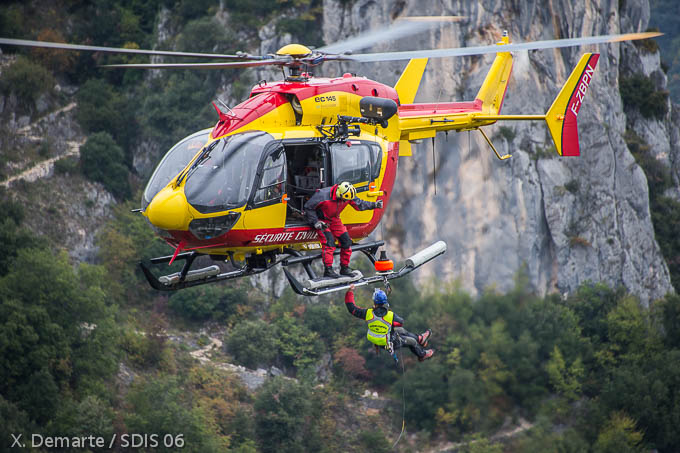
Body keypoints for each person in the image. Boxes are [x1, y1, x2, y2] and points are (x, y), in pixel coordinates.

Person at [304, 181, 383, 278]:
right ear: (339, 194)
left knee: (346, 241)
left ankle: (344, 268)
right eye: (344, 199)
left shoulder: (348, 195)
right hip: (322, 221)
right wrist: (315, 222)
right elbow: (308, 207)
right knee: (329, 243)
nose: (345, 201)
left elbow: (359, 204)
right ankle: (328, 270)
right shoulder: (323, 195)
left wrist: (374, 205)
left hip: (335, 219)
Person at [344, 284, 434, 361]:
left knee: (401, 330)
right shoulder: (390, 315)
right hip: (390, 342)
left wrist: (350, 291)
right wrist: (390, 322)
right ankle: (422, 355)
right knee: (412, 342)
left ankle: (420, 339)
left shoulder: (367, 313)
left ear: (374, 301)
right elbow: (400, 322)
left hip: (376, 339)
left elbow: (352, 308)